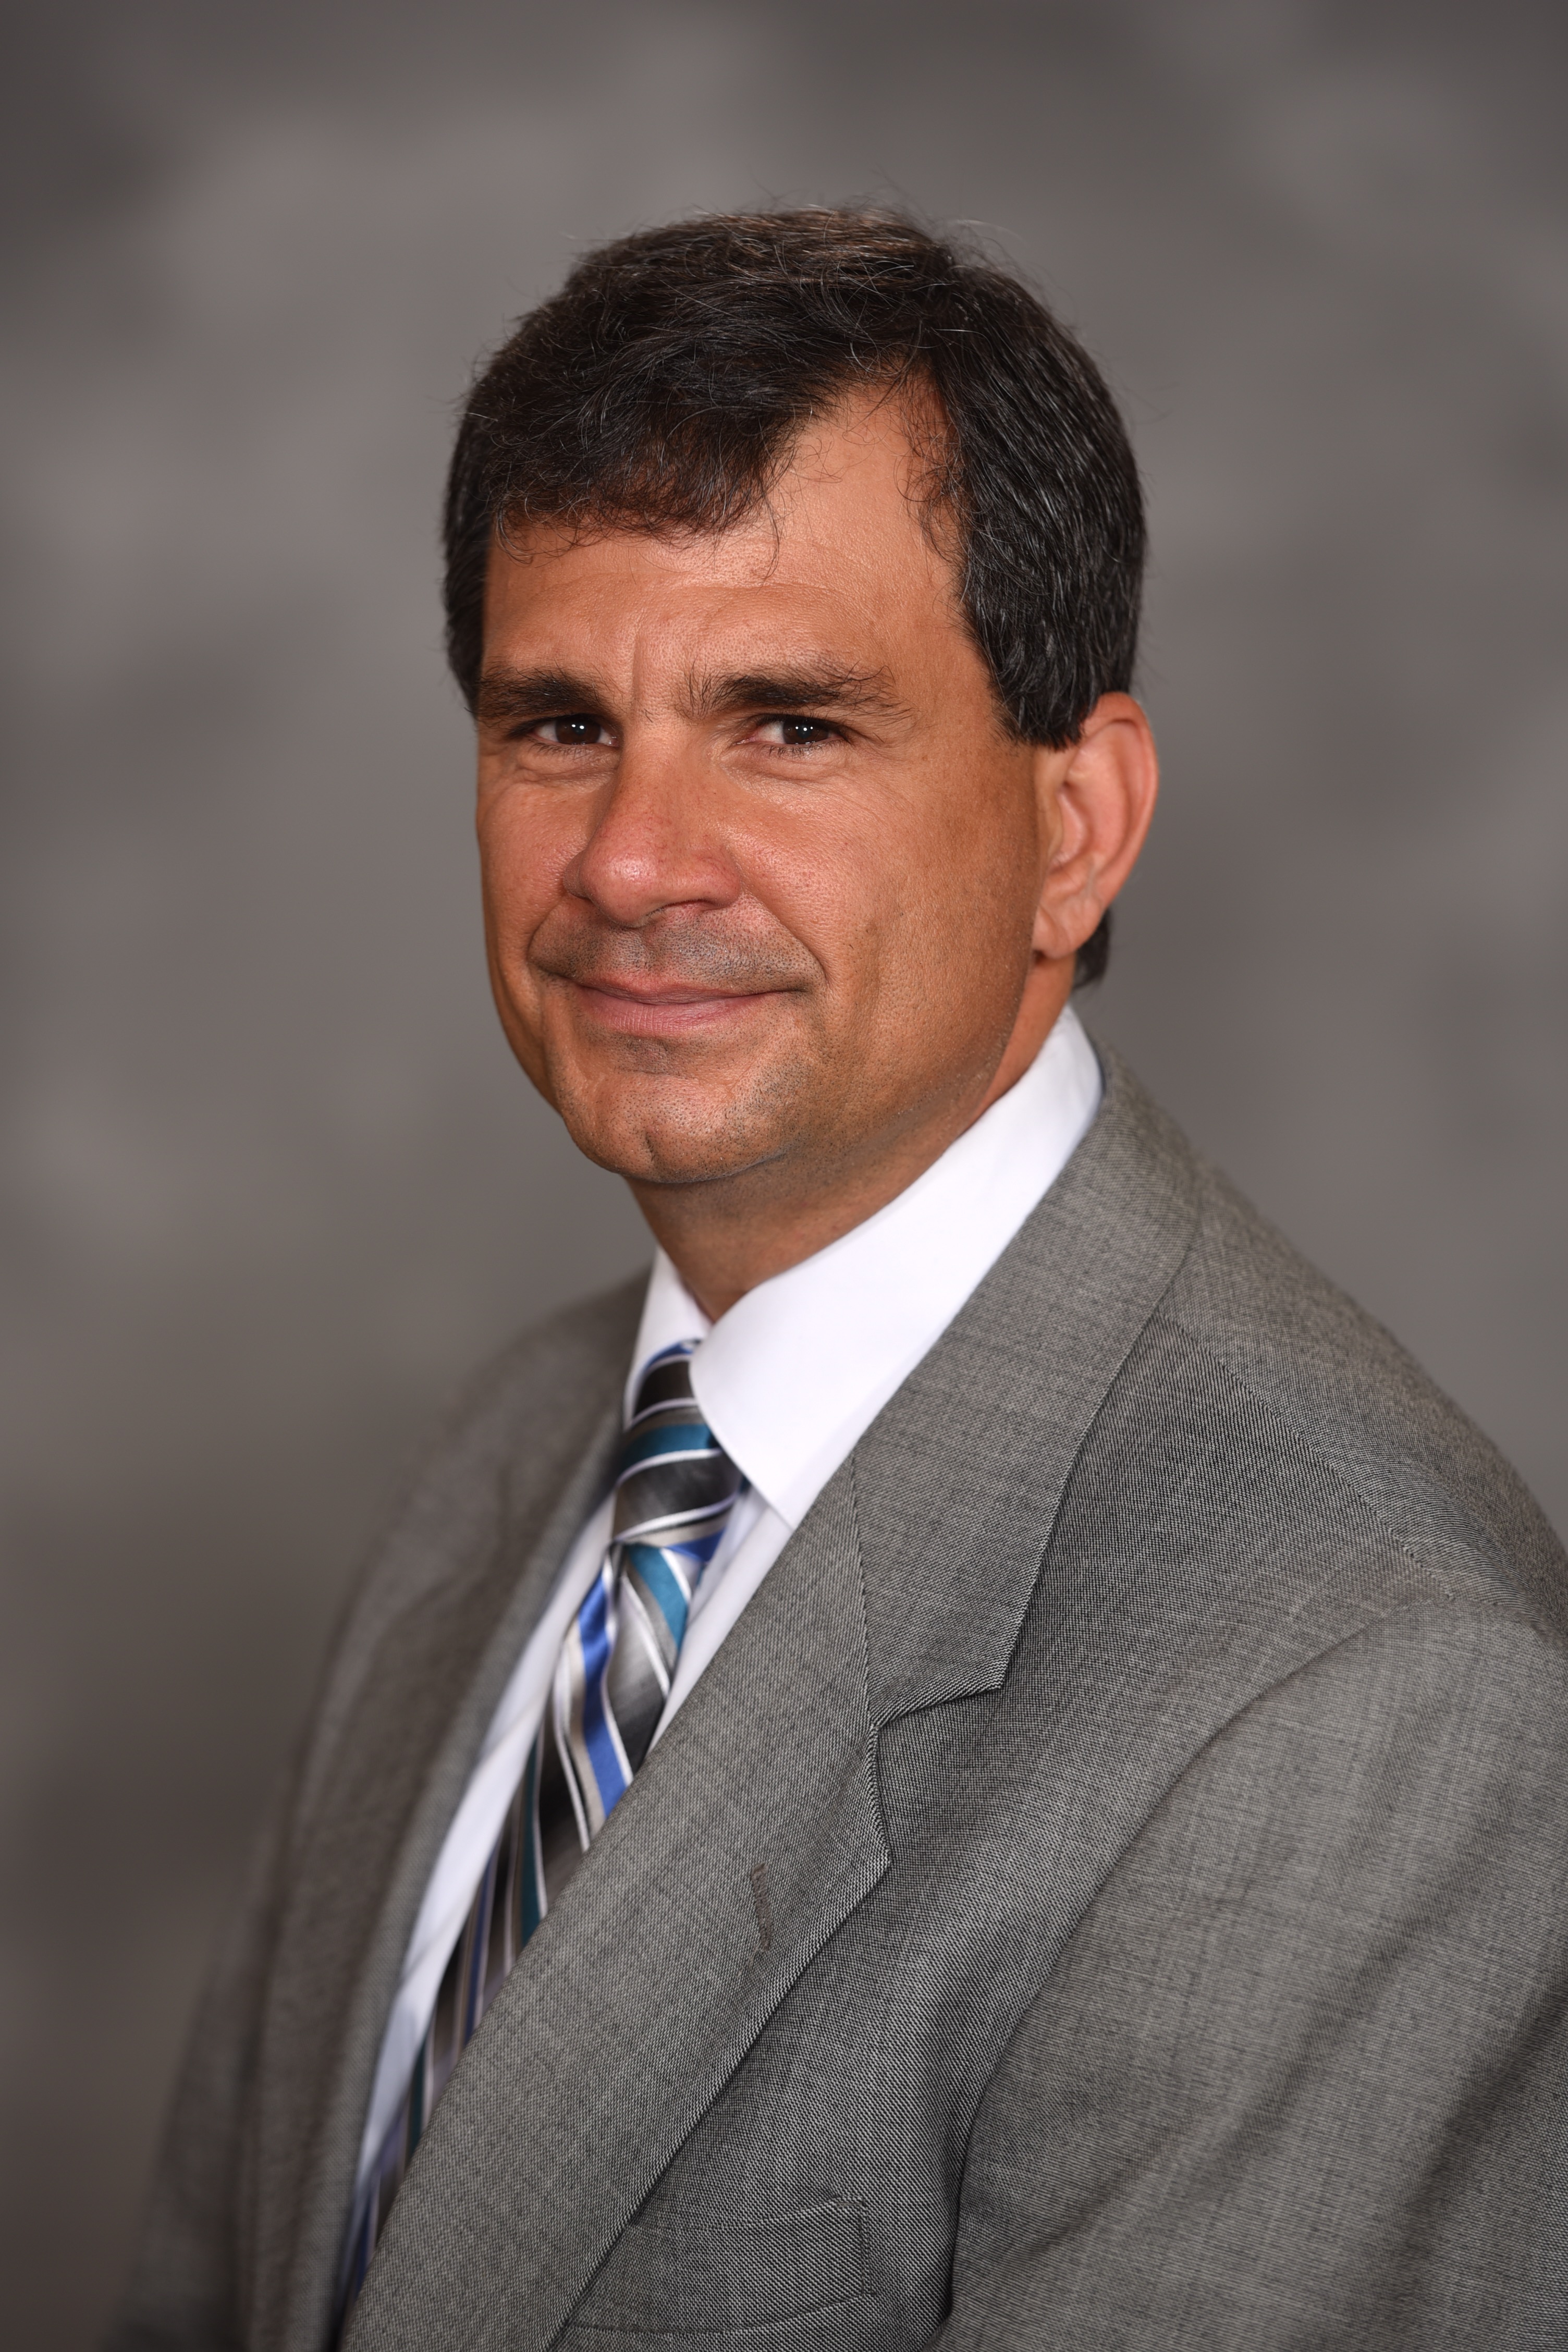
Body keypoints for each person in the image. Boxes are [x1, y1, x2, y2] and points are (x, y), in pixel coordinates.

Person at [111, 210, 1568, 2352]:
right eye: (556, 723)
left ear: (1077, 826)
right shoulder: (507, 1460)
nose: (628, 859)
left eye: (787, 725)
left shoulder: (1361, 1698)